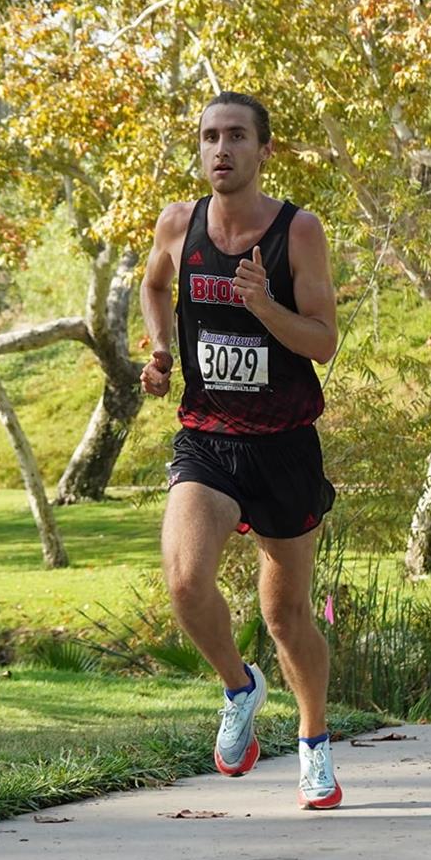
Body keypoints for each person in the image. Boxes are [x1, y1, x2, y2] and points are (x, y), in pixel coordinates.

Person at [139, 91, 342, 810]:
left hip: (285, 446)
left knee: (287, 617)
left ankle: (315, 745)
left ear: (264, 151)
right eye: (207, 137)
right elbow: (155, 285)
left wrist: (266, 307)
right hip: (209, 438)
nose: (219, 149)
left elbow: (324, 341)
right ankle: (239, 686)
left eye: (235, 137)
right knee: (186, 582)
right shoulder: (177, 223)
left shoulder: (298, 231)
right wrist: (162, 350)